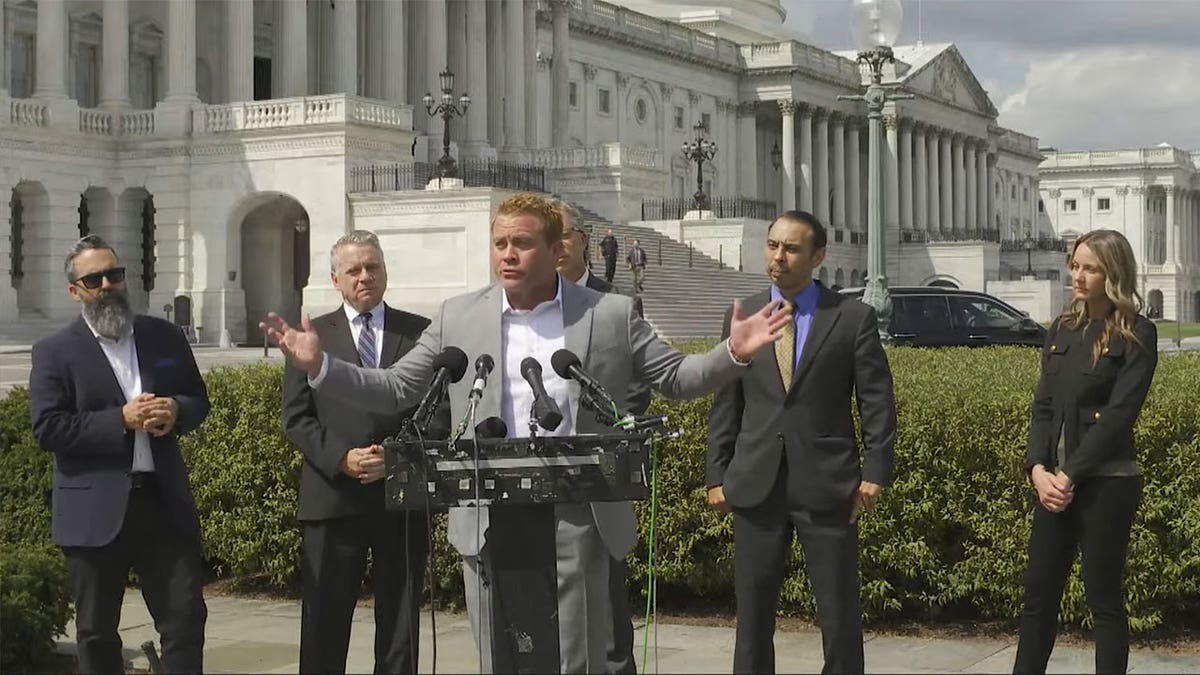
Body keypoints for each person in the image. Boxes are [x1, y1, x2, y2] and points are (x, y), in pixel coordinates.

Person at [261, 192, 790, 674]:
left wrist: (733, 353)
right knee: (502, 658)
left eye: (521, 243)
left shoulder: (608, 314)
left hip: (579, 512)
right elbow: (397, 388)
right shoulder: (457, 317)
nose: (507, 255)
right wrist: (322, 368)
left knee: (577, 659)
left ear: (557, 250)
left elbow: (675, 377)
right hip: (488, 511)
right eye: (499, 243)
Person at [706, 211, 897, 675]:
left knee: (839, 613)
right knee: (752, 618)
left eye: (791, 249)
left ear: (817, 256)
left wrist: (875, 473)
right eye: (772, 245)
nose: (778, 257)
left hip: (828, 484)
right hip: (755, 483)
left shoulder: (852, 318)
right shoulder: (744, 314)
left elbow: (877, 403)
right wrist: (717, 474)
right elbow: (725, 405)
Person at [29, 235, 210, 674]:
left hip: (162, 502)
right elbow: (49, 427)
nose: (108, 284)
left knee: (185, 620)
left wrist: (176, 410)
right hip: (94, 511)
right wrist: (121, 420)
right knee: (96, 631)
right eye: (95, 279)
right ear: (76, 291)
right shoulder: (54, 352)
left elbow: (197, 398)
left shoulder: (163, 337)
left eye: (115, 274)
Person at [283, 231, 447, 674]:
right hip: (333, 497)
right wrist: (343, 458)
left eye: (372, 266)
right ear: (336, 279)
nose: (364, 276)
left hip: (401, 498)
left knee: (400, 624)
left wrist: (394, 459)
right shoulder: (311, 336)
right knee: (324, 622)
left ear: (385, 272)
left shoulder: (421, 334)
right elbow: (297, 419)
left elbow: (438, 415)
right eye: (353, 270)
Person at [1014, 229, 1157, 675]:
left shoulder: (1137, 332)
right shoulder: (1061, 328)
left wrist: (1070, 474)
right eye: (1075, 265)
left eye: (1089, 268)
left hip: (1107, 483)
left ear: (1112, 272)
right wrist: (1038, 469)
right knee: (1038, 598)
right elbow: (1043, 407)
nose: (1077, 275)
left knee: (1104, 599)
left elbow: (1119, 416)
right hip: (1052, 485)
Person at [554, 198, 647, 675]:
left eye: (563, 234)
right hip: (540, 480)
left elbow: (638, 384)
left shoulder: (617, 303)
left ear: (584, 241)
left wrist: (611, 432)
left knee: (608, 611)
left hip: (599, 476)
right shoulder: (518, 306)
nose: (554, 245)